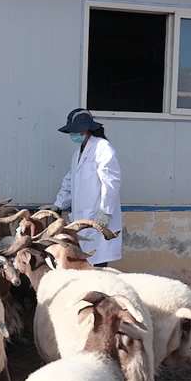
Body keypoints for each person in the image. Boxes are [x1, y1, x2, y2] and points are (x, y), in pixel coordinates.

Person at [54, 108, 122, 266]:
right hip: (82, 221)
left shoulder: (103, 148)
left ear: (85, 129)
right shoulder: (78, 152)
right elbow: (70, 180)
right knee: (83, 265)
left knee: (97, 267)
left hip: (98, 219)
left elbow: (111, 184)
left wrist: (105, 213)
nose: (73, 135)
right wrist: (58, 204)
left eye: (74, 131)